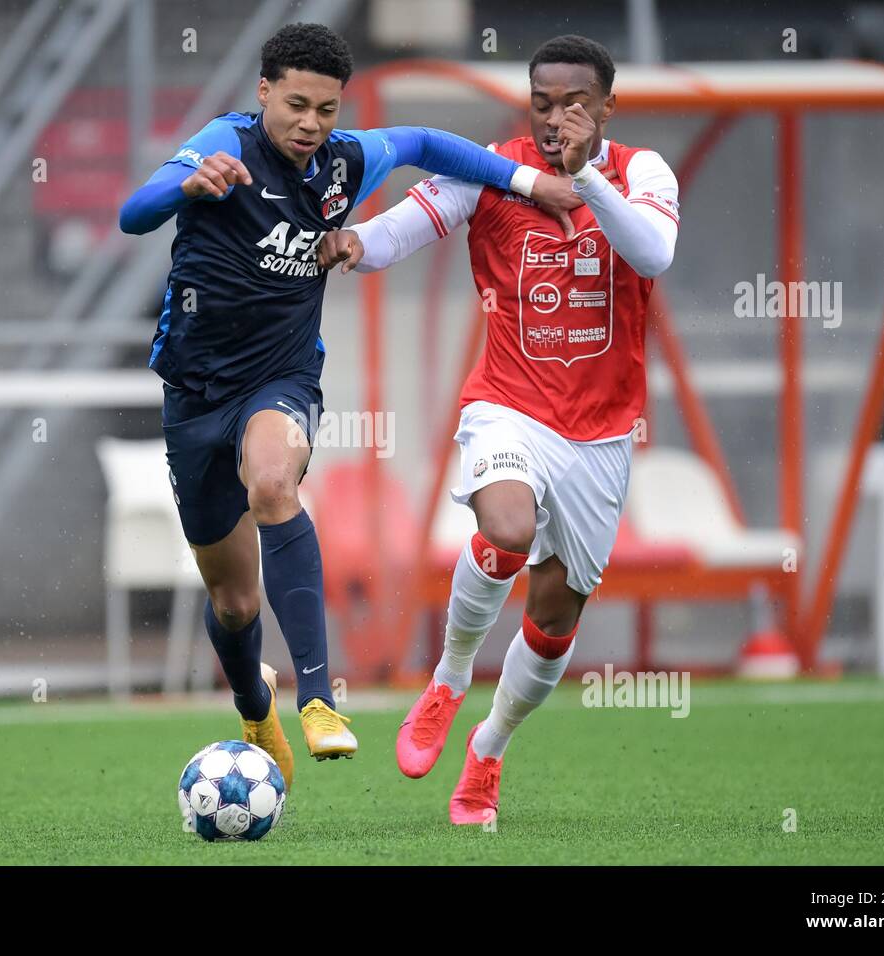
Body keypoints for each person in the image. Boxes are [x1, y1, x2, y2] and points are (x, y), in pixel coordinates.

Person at [118, 22, 573, 787]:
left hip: (282, 381)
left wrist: (525, 184)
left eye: (327, 110)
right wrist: (184, 186)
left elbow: (428, 141)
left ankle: (320, 700)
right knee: (233, 602)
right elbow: (134, 212)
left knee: (273, 483)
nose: (310, 124)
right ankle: (253, 703)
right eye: (296, 105)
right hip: (193, 395)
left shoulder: (341, 165)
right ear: (263, 93)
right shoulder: (220, 144)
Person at [319, 35, 680, 821]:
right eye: (543, 103)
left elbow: (651, 255)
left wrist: (586, 176)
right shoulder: (495, 168)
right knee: (507, 527)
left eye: (575, 104)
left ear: (606, 108)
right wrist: (352, 242)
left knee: (553, 621)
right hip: (509, 403)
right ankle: (448, 678)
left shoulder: (643, 172)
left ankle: (488, 751)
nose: (557, 120)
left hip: (602, 431)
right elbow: (408, 226)